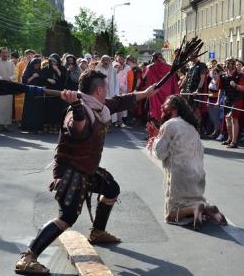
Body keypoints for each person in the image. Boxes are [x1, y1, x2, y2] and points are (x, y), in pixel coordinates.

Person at [15, 70, 157, 275]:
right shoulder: (77, 112)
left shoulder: (100, 105)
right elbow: (78, 129)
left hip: (87, 169)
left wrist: (147, 92)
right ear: (99, 90)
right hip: (71, 173)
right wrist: (74, 105)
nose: (107, 92)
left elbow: (122, 101)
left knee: (111, 189)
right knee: (67, 217)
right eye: (105, 88)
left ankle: (97, 231)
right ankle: (28, 257)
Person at [146, 95, 227, 229]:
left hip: (180, 178)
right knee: (194, 199)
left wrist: (154, 140)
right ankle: (205, 208)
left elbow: (160, 153)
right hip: (197, 178)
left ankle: (194, 209)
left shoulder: (169, 124)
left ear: (174, 109)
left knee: (170, 215)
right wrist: (157, 135)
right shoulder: (191, 127)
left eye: (165, 106)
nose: (162, 108)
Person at [216, 58, 244, 149]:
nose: (228, 65)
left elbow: (242, 88)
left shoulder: (241, 75)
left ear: (234, 64)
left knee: (234, 119)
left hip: (237, 99)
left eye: (230, 63)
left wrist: (235, 85)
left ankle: (234, 141)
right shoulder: (223, 76)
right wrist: (218, 101)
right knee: (227, 119)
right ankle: (229, 138)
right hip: (227, 99)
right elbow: (221, 89)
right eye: (227, 63)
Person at [145, 52, 179, 122]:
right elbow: (174, 81)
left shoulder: (149, 68)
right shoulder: (170, 67)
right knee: (167, 108)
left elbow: (146, 79)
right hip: (167, 93)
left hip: (155, 92)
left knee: (155, 109)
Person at [95, 55, 119, 123]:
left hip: (111, 92)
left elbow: (116, 82)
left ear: (109, 61)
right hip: (101, 92)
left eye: (107, 60)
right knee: (102, 107)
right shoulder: (97, 70)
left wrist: (116, 92)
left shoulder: (113, 70)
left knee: (110, 107)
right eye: (104, 60)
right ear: (101, 61)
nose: (105, 62)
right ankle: (102, 121)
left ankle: (109, 122)